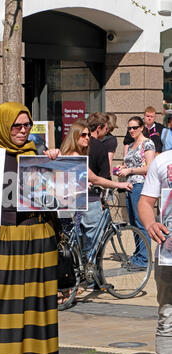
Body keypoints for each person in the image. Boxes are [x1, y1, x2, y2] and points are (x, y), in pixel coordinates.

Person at [0, 102, 59, 354]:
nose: (23, 131)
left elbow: (64, 191)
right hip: (6, 237)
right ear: (2, 126)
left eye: (27, 125)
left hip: (40, 235)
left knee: (40, 308)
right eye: (16, 126)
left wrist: (56, 163)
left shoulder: (37, 155)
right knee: (4, 311)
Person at [58, 120, 132, 302]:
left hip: (67, 205)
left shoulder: (65, 153)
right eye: (83, 135)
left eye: (88, 135)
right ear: (75, 137)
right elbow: (97, 178)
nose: (87, 138)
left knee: (70, 245)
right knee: (80, 246)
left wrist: (86, 181)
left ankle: (70, 286)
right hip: (75, 206)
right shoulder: (75, 155)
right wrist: (119, 184)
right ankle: (72, 286)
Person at [137, 149, 172, 354]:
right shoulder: (163, 161)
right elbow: (145, 202)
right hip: (169, 254)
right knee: (168, 316)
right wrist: (150, 224)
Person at [118, 116, 155, 269]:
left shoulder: (147, 143)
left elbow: (149, 167)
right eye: (129, 128)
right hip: (130, 186)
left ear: (141, 128)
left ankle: (144, 258)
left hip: (141, 186)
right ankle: (139, 254)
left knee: (141, 222)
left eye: (134, 127)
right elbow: (127, 164)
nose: (131, 130)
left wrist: (130, 170)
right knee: (133, 223)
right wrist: (121, 169)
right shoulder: (132, 144)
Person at [81, 112, 111, 263]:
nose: (107, 132)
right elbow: (104, 177)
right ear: (99, 128)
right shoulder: (99, 147)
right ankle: (94, 279)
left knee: (77, 240)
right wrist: (104, 198)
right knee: (94, 241)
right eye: (106, 129)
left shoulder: (74, 142)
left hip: (72, 198)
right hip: (92, 198)